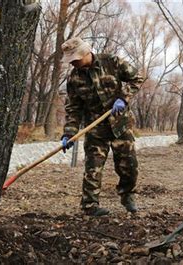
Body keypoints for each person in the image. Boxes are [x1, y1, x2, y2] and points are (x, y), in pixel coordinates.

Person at [60, 37, 143, 216]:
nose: (73, 63)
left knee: (128, 166)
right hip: (95, 130)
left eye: (75, 58)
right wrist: (69, 133)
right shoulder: (74, 79)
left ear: (86, 52)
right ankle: (89, 206)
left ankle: (127, 195)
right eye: (71, 60)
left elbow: (137, 78)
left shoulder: (112, 62)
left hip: (120, 125)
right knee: (93, 168)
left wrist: (123, 97)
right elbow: (73, 109)